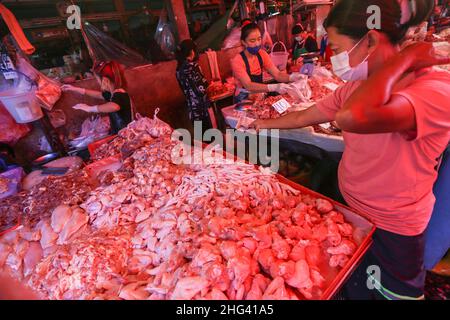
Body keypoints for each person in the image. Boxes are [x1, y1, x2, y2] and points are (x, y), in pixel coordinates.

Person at [251, 0, 450, 300]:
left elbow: (352, 117)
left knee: (389, 295)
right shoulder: (356, 88)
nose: (334, 57)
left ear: (370, 38)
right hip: (351, 215)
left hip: (393, 232)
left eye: (337, 46)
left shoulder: (433, 87)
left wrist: (401, 61)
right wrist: (261, 124)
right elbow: (305, 116)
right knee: (353, 287)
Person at [231, 22, 304, 103]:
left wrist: (293, 77)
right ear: (244, 42)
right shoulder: (237, 60)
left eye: (259, 39)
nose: (257, 44)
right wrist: (274, 87)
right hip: (243, 99)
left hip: (258, 96)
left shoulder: (262, 54)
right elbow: (248, 85)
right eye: (252, 41)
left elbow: (277, 74)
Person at [62, 60, 133, 135]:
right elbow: (99, 95)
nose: (98, 82)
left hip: (128, 133)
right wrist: (76, 89)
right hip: (119, 131)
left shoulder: (120, 92)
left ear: (105, 81)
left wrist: (90, 108)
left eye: (98, 80)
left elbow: (114, 106)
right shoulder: (112, 93)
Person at [175, 39, 213, 133]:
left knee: (201, 140)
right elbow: (203, 89)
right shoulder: (193, 67)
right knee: (211, 139)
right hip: (202, 110)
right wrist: (212, 86)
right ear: (192, 52)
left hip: (192, 111)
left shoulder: (178, 70)